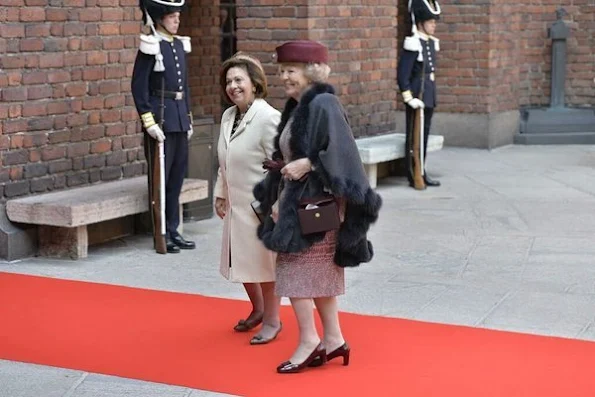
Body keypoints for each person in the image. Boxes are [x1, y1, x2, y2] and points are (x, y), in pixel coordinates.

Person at [253, 40, 382, 373]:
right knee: (317, 274)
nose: (284, 77)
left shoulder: (323, 102)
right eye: (281, 70)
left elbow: (342, 151)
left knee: (293, 272)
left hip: (315, 205)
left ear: (310, 71)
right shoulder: (297, 106)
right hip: (302, 202)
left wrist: (307, 164)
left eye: (290, 70)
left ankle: (309, 340)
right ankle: (335, 339)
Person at [214, 53, 282, 344]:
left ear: (255, 83)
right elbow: (224, 160)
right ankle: (257, 309)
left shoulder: (268, 118)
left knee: (264, 266)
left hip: (261, 207)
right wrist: (220, 193)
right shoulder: (229, 116)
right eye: (229, 81)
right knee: (239, 260)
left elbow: (281, 163)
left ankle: (272, 321)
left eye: (239, 79)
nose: (233, 86)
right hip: (236, 204)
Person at [131, 0, 196, 253]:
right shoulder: (150, 44)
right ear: (159, 18)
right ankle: (161, 233)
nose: (176, 20)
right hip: (160, 121)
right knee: (161, 181)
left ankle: (173, 229)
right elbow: (139, 87)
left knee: (177, 179)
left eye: (178, 16)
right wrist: (148, 121)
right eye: (171, 16)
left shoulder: (179, 44)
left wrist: (187, 119)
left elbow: (185, 87)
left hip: (178, 118)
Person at [397, 0, 442, 188]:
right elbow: (403, 74)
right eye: (430, 22)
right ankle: (413, 172)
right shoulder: (413, 43)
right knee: (414, 137)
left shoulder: (431, 43)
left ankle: (421, 170)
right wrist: (409, 98)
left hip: (428, 95)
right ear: (421, 23)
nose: (434, 25)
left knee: (423, 136)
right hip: (417, 96)